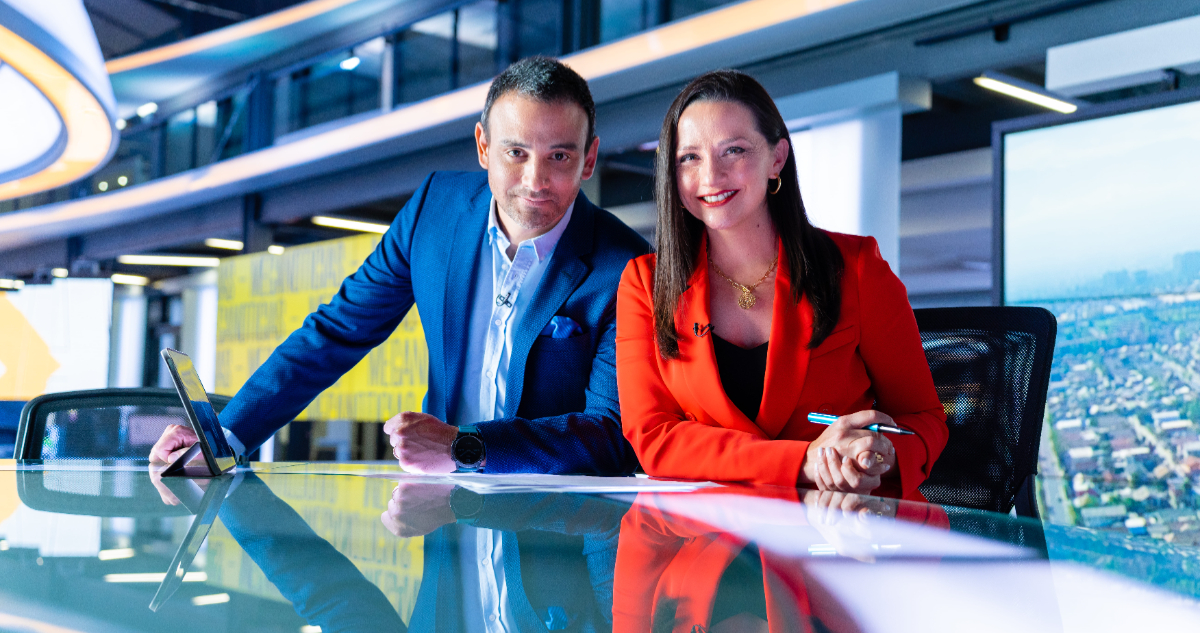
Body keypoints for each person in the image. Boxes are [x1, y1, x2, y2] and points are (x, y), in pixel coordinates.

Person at [152, 56, 649, 475]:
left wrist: (463, 446)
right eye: (515, 152)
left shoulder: (627, 265)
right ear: (482, 147)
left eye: (559, 156)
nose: (534, 179)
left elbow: (612, 433)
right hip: (443, 522)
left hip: (558, 543)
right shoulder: (434, 211)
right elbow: (336, 332)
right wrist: (228, 438)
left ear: (589, 159)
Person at [614, 70, 947, 499]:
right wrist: (804, 461)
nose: (711, 175)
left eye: (733, 150)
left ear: (776, 158)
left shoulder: (857, 267)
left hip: (837, 534)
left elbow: (923, 418)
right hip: (706, 545)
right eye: (689, 158)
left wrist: (874, 455)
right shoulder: (644, 283)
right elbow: (653, 436)